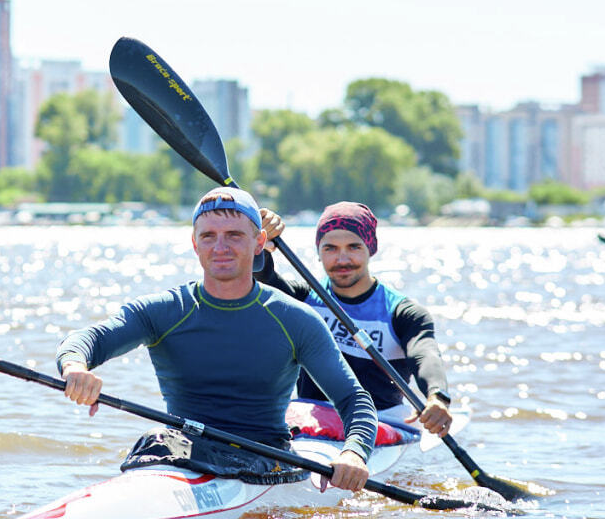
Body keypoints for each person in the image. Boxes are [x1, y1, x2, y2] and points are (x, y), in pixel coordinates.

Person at [57, 186, 377, 492]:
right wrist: (74, 367)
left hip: (267, 457)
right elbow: (89, 339)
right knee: (155, 438)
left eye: (234, 235)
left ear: (259, 242)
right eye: (208, 236)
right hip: (178, 451)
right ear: (195, 244)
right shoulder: (166, 311)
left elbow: (354, 399)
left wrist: (354, 453)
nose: (220, 247)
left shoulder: (296, 319)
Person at [255, 201, 454, 440]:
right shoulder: (301, 298)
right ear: (318, 253)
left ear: (371, 249)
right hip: (311, 422)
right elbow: (261, 277)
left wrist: (437, 396)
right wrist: (260, 242)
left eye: (353, 247)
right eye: (330, 248)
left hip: (383, 423)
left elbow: (425, 354)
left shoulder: (404, 313)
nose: (342, 259)